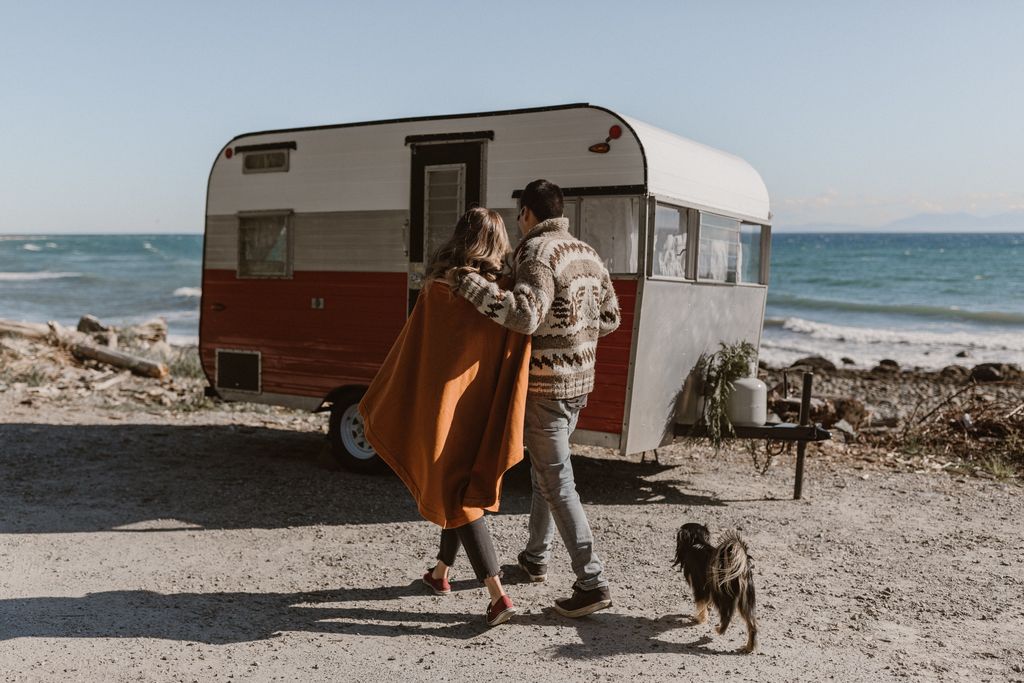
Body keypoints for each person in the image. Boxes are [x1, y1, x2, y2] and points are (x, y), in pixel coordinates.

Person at [455, 179, 621, 617]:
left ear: (528, 213)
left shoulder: (535, 253)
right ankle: (535, 558)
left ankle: (592, 582)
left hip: (547, 386)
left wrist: (472, 287)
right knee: (544, 476)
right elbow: (611, 317)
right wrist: (577, 333)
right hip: (581, 382)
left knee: (556, 481)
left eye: (519, 215)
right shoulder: (586, 252)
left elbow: (526, 316)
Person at [359, 207, 531, 627]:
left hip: (443, 406)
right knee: (457, 484)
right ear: (495, 245)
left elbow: (416, 349)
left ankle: (497, 596)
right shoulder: (501, 296)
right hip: (481, 405)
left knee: (459, 492)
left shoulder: (439, 289)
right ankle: (440, 574)